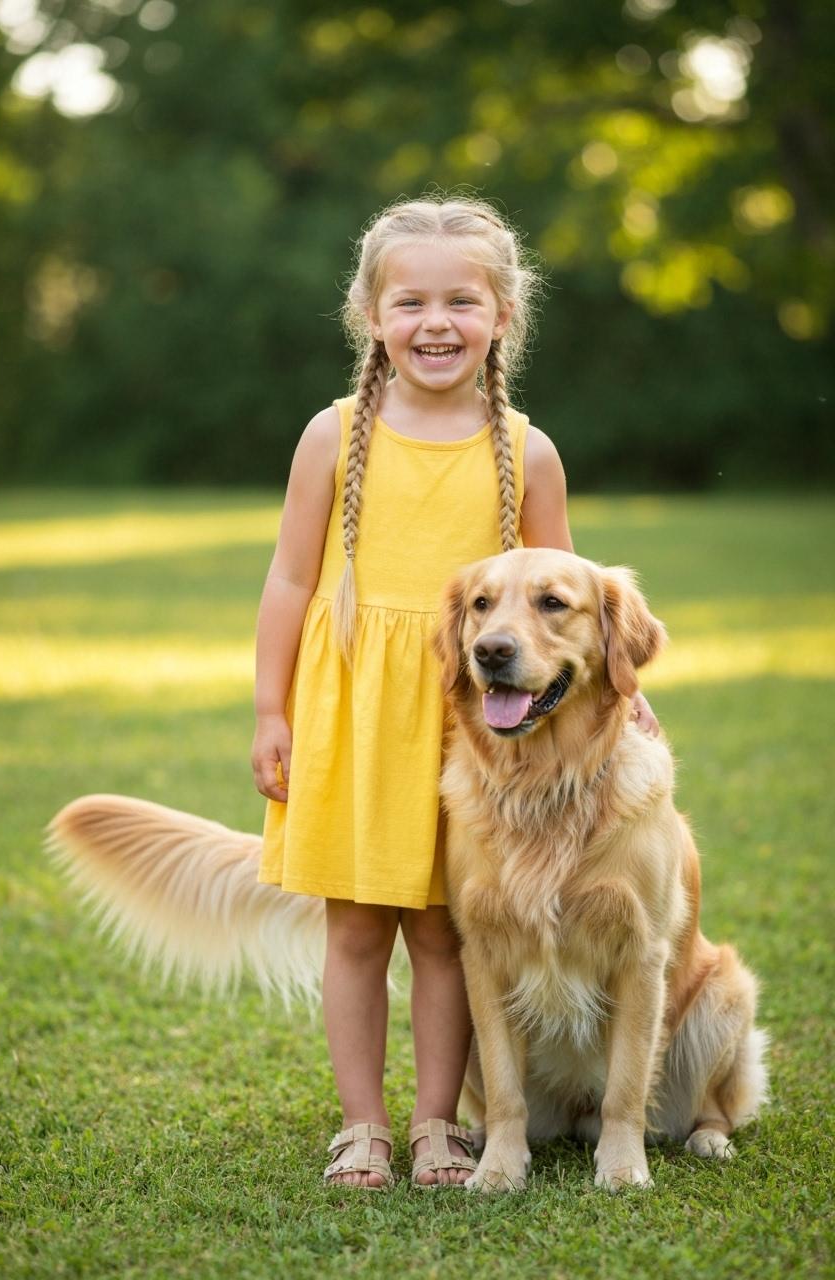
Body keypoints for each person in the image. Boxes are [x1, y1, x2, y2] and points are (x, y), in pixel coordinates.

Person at [252, 196, 657, 1190]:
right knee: (355, 926)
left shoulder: (525, 448)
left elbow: (568, 597)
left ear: (501, 314)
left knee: (444, 927)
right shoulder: (333, 434)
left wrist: (624, 689)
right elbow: (289, 581)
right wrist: (271, 708)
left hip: (468, 726)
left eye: (460, 300)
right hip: (354, 708)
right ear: (371, 315)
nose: (435, 322)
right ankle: (363, 1126)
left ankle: (437, 1124)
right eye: (409, 301)